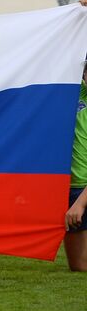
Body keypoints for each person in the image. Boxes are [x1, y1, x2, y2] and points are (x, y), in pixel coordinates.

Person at [64, 57, 87, 272]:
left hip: (83, 191)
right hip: (70, 187)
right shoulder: (76, 94)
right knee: (79, 266)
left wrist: (80, 203)